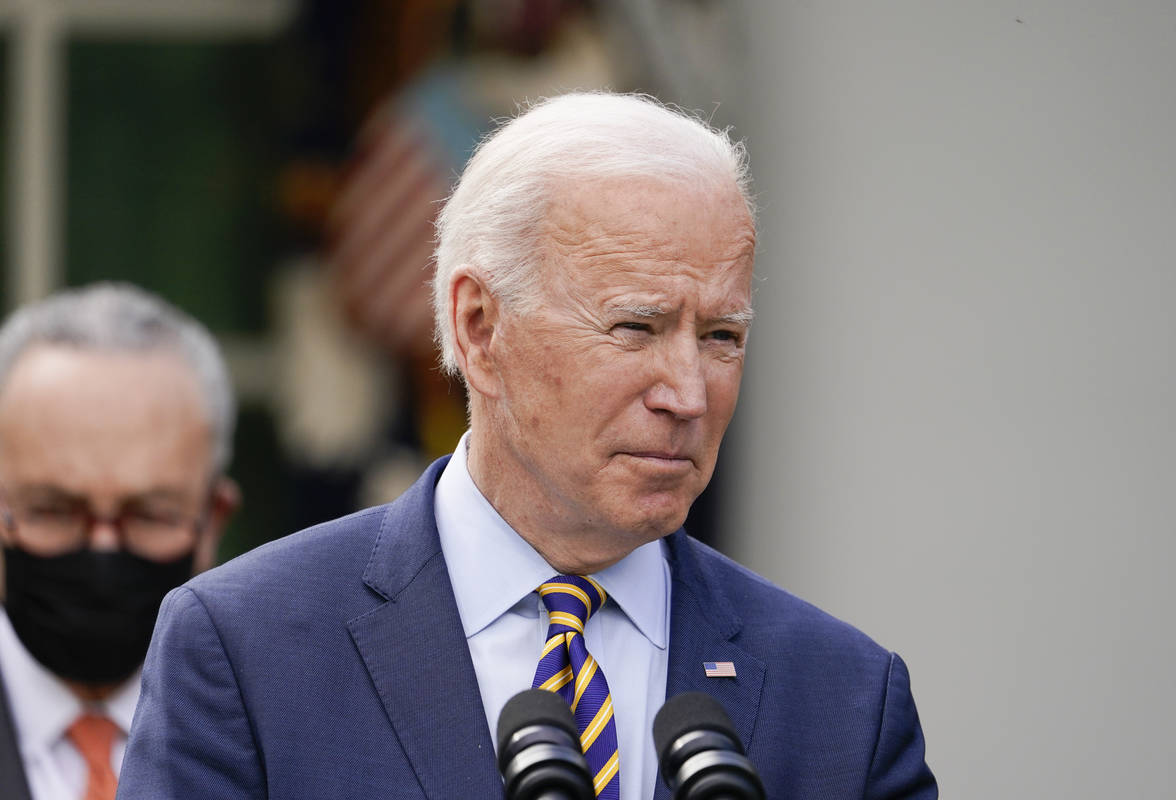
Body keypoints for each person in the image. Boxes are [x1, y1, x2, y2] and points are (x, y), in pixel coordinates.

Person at [117, 92, 937, 799]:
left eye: (721, 336)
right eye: (635, 327)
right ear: (481, 327)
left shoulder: (844, 701)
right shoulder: (247, 649)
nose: (687, 394)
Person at [0, 284, 239, 800]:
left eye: (149, 514)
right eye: (53, 510)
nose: (103, 553)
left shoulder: (290, 729)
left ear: (213, 519)